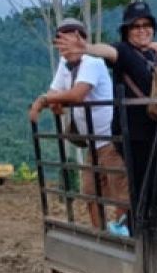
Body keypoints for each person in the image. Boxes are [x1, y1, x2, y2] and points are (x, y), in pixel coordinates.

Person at [74, 1, 157, 207]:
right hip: (135, 137)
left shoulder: (153, 55)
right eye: (135, 26)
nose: (142, 30)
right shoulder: (124, 52)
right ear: (127, 31)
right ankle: (138, 230)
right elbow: (109, 51)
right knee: (142, 191)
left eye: (146, 25)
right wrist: (88, 47)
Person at [27, 18, 127, 230]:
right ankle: (101, 234)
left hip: (109, 140)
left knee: (121, 194)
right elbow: (56, 91)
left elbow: (77, 94)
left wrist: (45, 101)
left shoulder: (93, 63)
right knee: (91, 192)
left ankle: (124, 234)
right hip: (92, 142)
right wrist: (53, 100)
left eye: (71, 40)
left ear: (82, 41)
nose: (66, 46)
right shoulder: (65, 65)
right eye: (61, 42)